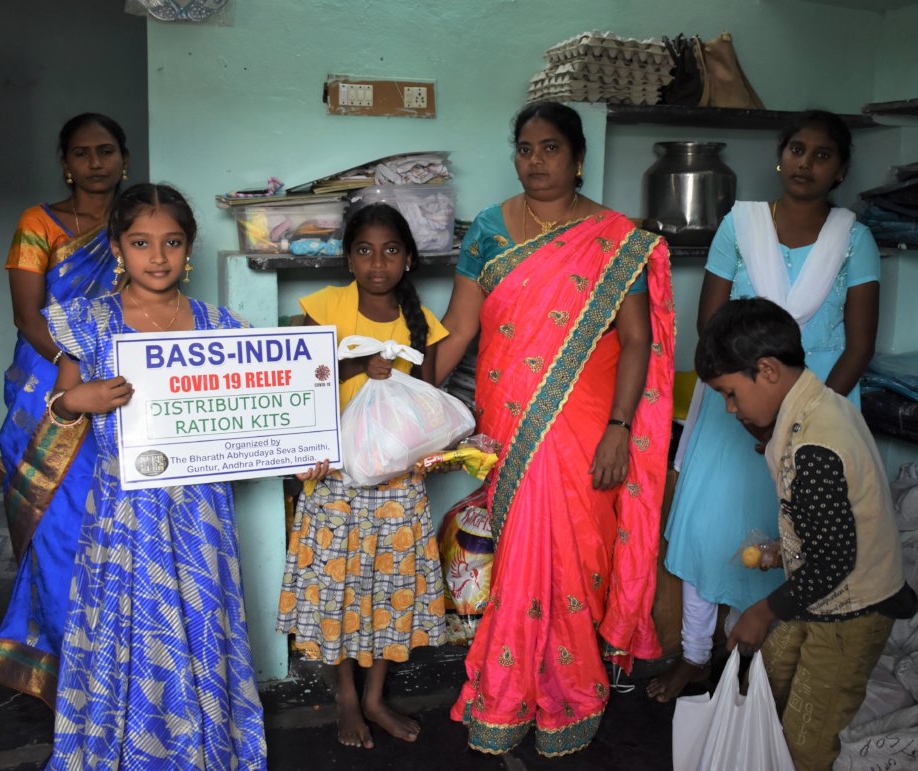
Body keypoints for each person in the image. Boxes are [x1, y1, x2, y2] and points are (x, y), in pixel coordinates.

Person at [436, 101, 675, 756]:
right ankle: (508, 695)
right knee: (520, 554)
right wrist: (402, 394)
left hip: (587, 427)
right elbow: (458, 329)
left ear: (577, 157)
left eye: (550, 148)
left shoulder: (615, 237)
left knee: (576, 556)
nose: (535, 161)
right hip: (510, 418)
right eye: (525, 148)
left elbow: (636, 339)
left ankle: (569, 692)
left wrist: (620, 428)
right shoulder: (488, 230)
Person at [649, 110, 881, 703]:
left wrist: (799, 421)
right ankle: (696, 654)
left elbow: (859, 345)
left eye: (822, 155)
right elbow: (709, 325)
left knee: (793, 540)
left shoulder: (854, 239)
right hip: (733, 396)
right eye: (797, 150)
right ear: (780, 157)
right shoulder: (741, 224)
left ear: (841, 170)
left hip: (817, 404)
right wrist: (748, 404)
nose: (806, 163)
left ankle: (754, 662)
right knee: (709, 530)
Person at [43, 184, 267, 768]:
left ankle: (201, 748)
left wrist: (303, 450)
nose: (158, 256)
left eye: (172, 242)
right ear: (118, 248)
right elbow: (59, 405)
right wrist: (81, 399)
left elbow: (260, 415)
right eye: (141, 243)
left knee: (198, 620)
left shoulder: (220, 327)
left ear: (189, 248)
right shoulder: (92, 322)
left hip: (201, 509)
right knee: (132, 625)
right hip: (125, 511)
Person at [700, 298, 915, 771]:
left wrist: (761, 611)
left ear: (767, 370)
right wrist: (787, 550)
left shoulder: (815, 446)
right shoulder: (822, 403)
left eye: (730, 393)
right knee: (768, 678)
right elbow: (830, 528)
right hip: (821, 590)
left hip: (853, 609)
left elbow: (835, 560)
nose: (730, 408)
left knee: (808, 736)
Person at [276, 203, 449, 749]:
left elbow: (429, 404)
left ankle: (376, 697)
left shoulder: (422, 322)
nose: (378, 263)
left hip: (396, 483)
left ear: (409, 258)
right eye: (365, 251)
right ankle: (347, 696)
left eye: (391, 250)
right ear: (348, 258)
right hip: (334, 479)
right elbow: (299, 385)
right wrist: (356, 365)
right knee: (339, 589)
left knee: (388, 589)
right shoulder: (326, 306)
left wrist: (430, 454)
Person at [0, 113, 130, 706]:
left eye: (106, 151)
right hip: (51, 387)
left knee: (110, 526)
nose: (95, 163)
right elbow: (28, 316)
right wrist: (78, 366)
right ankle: (58, 670)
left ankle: (114, 668)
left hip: (120, 386)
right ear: (65, 162)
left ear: (124, 158)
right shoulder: (38, 223)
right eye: (81, 153)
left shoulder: (135, 222)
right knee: (56, 526)